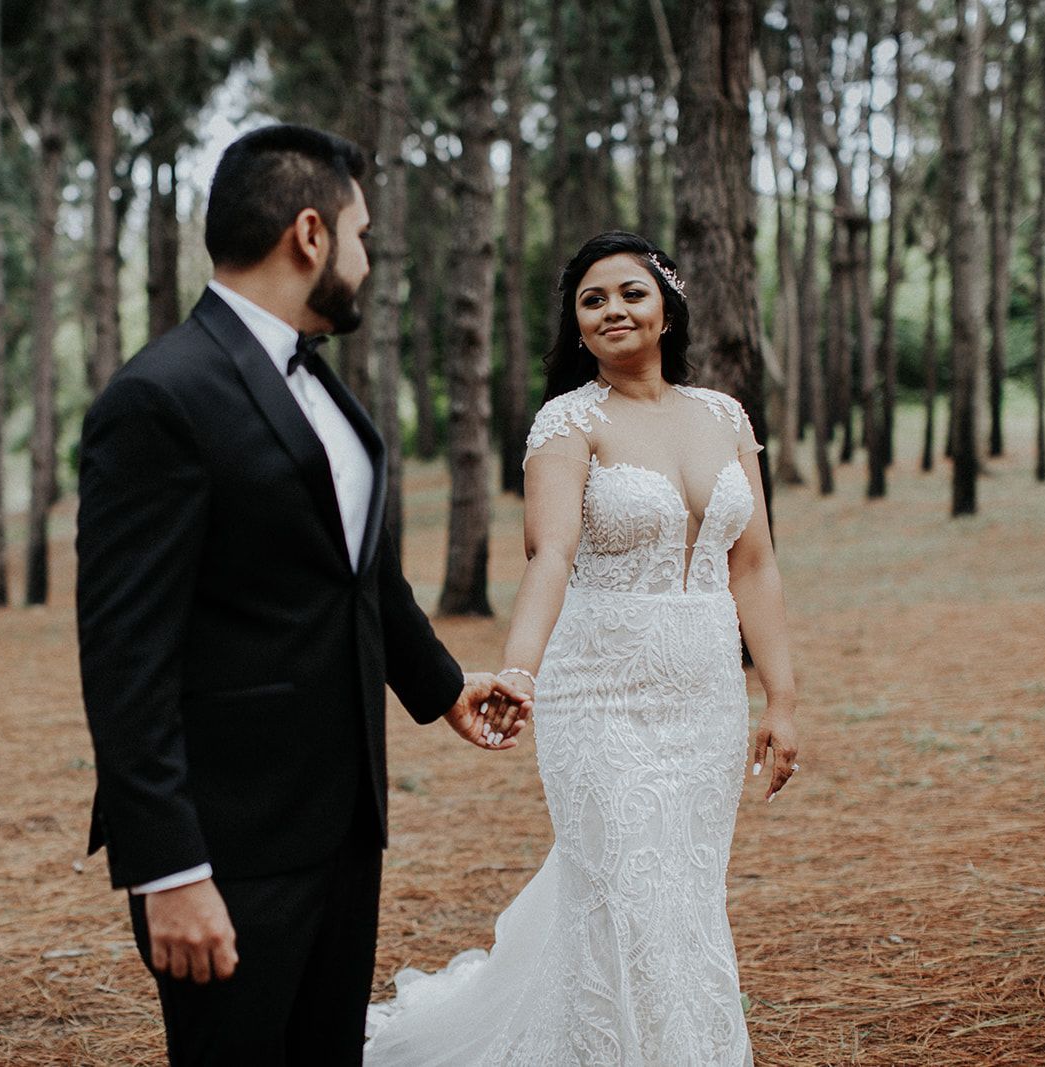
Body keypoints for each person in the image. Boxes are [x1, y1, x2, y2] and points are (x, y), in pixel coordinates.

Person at [75, 123, 533, 1066]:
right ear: (311, 235)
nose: (368, 262)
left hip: (342, 823)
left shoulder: (321, 390)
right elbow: (124, 657)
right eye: (364, 238)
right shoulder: (158, 398)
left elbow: (354, 572)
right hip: (228, 846)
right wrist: (171, 870)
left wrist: (444, 686)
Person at [364, 231, 801, 1065]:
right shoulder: (568, 422)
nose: (613, 311)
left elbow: (756, 563)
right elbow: (552, 554)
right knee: (622, 888)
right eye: (592, 300)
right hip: (597, 694)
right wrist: (520, 670)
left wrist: (780, 698)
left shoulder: (725, 417)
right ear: (576, 325)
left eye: (631, 293)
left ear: (666, 306)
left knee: (681, 896)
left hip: (704, 693)